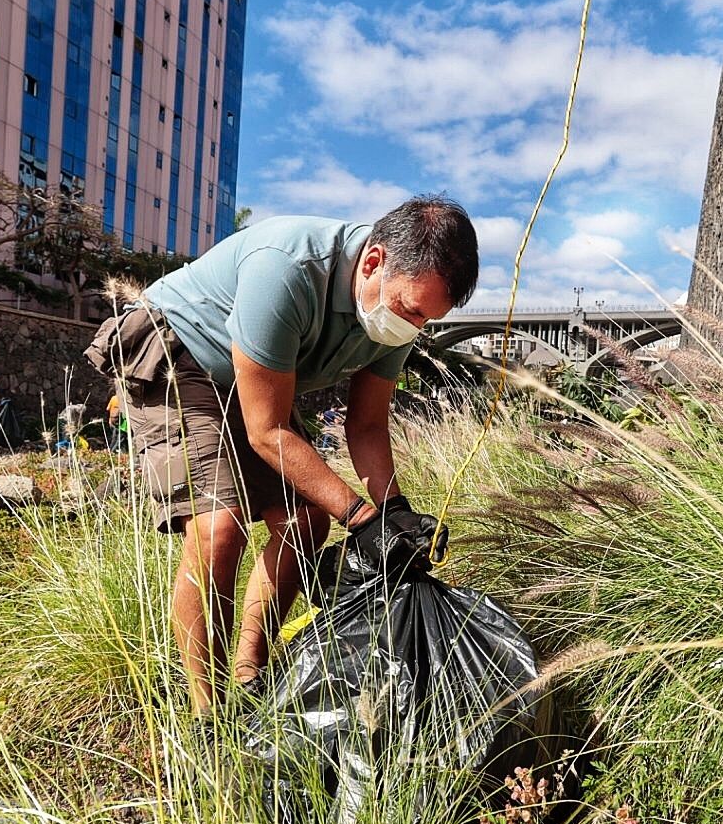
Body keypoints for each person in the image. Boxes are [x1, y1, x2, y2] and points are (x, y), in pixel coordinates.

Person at [87, 196, 479, 713]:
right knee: (218, 528)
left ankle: (249, 674)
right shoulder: (287, 269)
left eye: (428, 319)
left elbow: (366, 424)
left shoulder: (397, 313)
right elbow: (267, 430)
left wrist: (394, 511)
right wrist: (362, 519)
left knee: (307, 520)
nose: (413, 328)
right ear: (372, 262)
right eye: (410, 310)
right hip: (181, 349)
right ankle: (208, 714)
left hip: (256, 381)